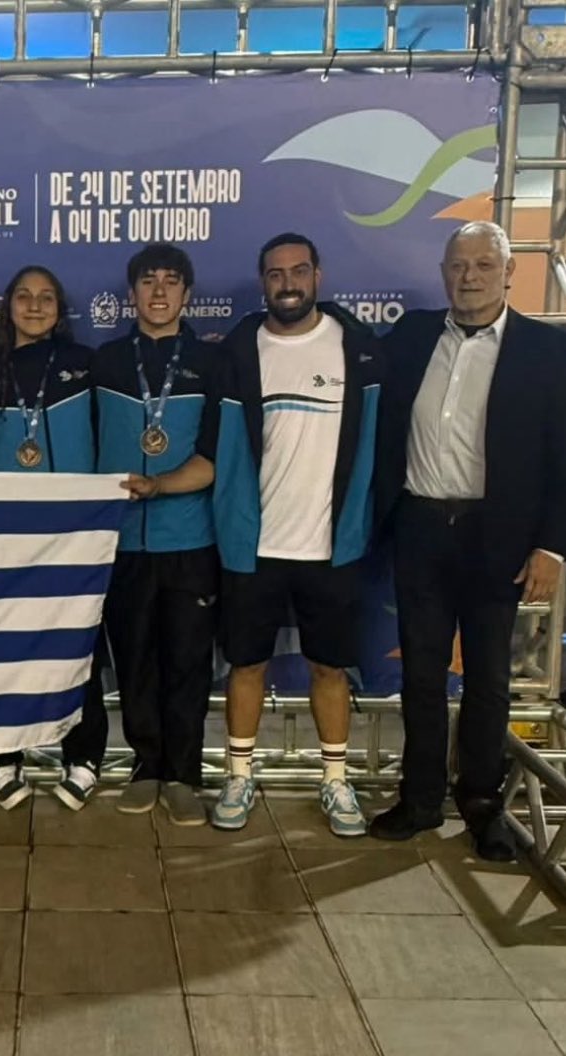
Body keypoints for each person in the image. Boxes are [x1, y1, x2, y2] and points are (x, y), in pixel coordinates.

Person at [370, 221, 566, 860]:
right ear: (443, 272)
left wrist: (552, 546)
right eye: (459, 265)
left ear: (510, 272)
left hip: (499, 536)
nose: (470, 276)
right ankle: (421, 799)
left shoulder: (546, 349)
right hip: (422, 527)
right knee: (422, 676)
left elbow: (562, 456)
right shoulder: (412, 334)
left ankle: (481, 805)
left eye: (485, 264)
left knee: (487, 680)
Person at [188, 233, 383, 838]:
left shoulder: (361, 351)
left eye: (299, 271)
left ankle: (334, 779)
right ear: (263, 280)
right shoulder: (238, 353)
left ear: (318, 276)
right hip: (254, 546)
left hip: (333, 545)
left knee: (330, 669)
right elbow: (214, 451)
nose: (288, 283)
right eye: (276, 274)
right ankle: (239, 774)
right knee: (246, 666)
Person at [0, 264, 108, 810]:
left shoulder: (86, 366)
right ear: (7, 306)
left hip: (76, 533)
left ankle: (85, 755)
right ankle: (5, 756)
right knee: (8, 648)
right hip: (6, 535)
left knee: (80, 647)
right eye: (23, 296)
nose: (34, 306)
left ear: (60, 308)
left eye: (46, 297)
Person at [94, 243, 218, 827]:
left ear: (187, 294)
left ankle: (184, 775)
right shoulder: (107, 362)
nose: (160, 291)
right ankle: (147, 766)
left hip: (189, 540)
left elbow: (216, 460)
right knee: (135, 660)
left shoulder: (212, 364)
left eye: (172, 281)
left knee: (188, 662)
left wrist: (161, 485)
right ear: (131, 294)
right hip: (122, 542)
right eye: (149, 281)